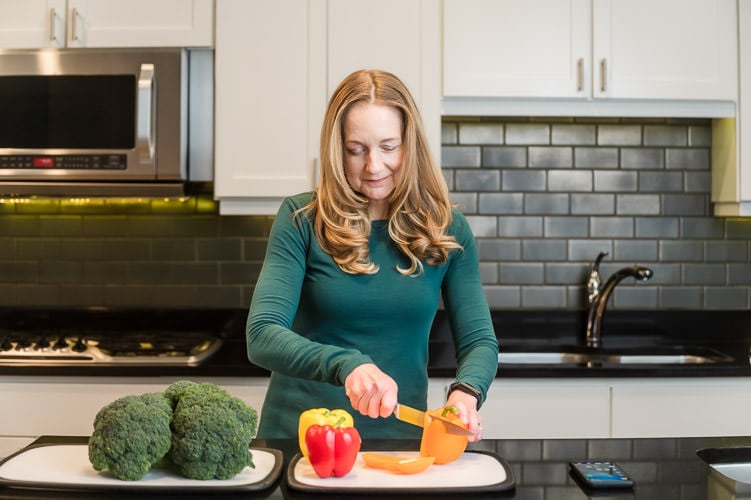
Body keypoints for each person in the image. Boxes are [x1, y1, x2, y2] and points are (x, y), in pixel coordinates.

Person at [246, 69, 498, 443]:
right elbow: (262, 335)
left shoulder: (447, 229)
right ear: (337, 149)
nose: (373, 166)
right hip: (299, 443)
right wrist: (347, 363)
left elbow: (480, 342)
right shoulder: (301, 220)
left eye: (388, 146)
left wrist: (467, 391)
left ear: (409, 144)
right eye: (356, 149)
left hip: (401, 444)